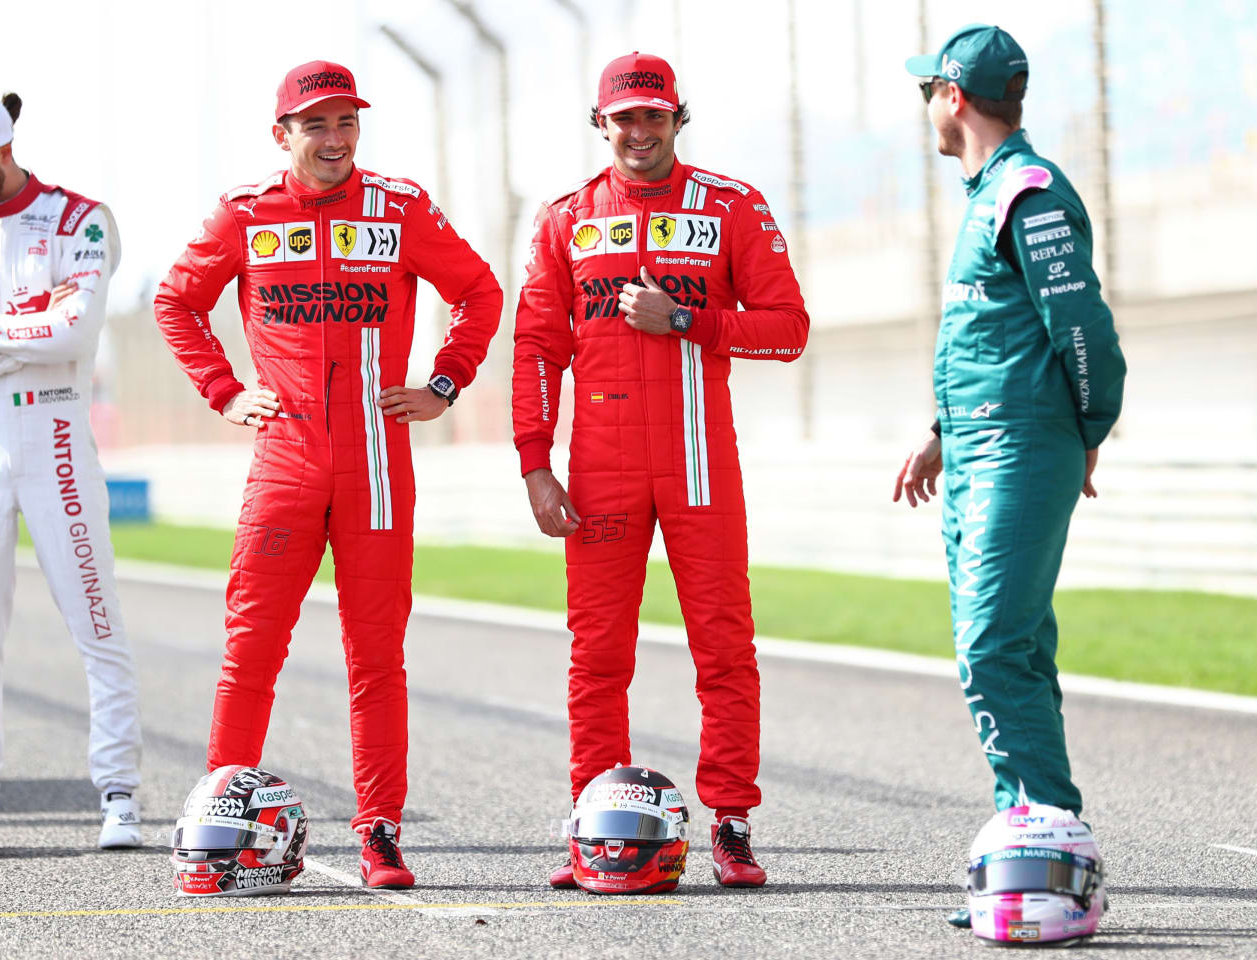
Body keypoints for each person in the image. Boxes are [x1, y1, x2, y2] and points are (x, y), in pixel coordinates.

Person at [153, 61, 501, 889]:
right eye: (316, 125)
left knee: (376, 655)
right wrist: (225, 390)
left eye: (346, 122)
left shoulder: (402, 207)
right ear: (284, 135)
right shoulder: (245, 213)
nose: (335, 139)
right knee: (251, 649)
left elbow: (480, 293)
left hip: (380, 465)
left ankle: (379, 830)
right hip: (286, 460)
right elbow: (176, 301)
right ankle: (219, 823)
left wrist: (444, 384)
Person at [512, 51, 810, 889]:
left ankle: (733, 823)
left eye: (655, 116)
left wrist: (685, 317)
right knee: (597, 653)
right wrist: (535, 464)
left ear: (680, 118)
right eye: (625, 118)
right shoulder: (564, 218)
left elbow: (788, 328)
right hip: (599, 467)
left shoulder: (731, 206)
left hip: (699, 464)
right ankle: (592, 817)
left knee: (724, 648)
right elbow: (535, 347)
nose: (639, 132)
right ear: (599, 125)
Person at [893, 24, 1126, 927]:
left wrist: (1086, 427)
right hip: (981, 444)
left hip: (1024, 446)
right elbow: (991, 339)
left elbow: (1082, 329)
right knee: (1010, 652)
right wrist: (941, 431)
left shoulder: (1028, 191)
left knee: (992, 642)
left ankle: (1047, 835)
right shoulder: (988, 192)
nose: (928, 112)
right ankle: (1035, 845)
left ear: (954, 97)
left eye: (929, 94)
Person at [0, 91, 144, 849]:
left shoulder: (83, 219)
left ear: (6, 150)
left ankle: (121, 795)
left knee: (95, 622)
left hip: (57, 438)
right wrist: (20, 336)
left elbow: (75, 330)